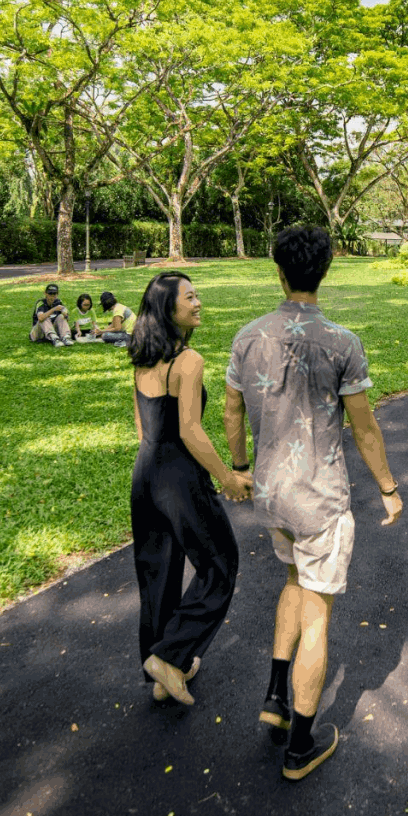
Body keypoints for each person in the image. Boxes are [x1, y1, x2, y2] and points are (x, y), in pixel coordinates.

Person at [224, 225, 401, 782]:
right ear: (324, 270)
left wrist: (240, 467)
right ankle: (300, 746)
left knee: (295, 584)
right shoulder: (342, 342)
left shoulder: (247, 337)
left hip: (272, 496)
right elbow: (365, 429)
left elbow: (231, 412)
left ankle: (275, 698)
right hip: (320, 498)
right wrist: (389, 490)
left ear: (278, 269)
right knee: (318, 612)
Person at [127, 272, 249, 706]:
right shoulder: (189, 361)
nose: (198, 302)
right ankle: (170, 655)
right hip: (181, 476)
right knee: (220, 563)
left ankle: (164, 672)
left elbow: (143, 425)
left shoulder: (142, 356)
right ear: (169, 308)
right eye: (190, 297)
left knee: (157, 572)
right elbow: (191, 430)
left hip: (145, 473)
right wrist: (229, 476)